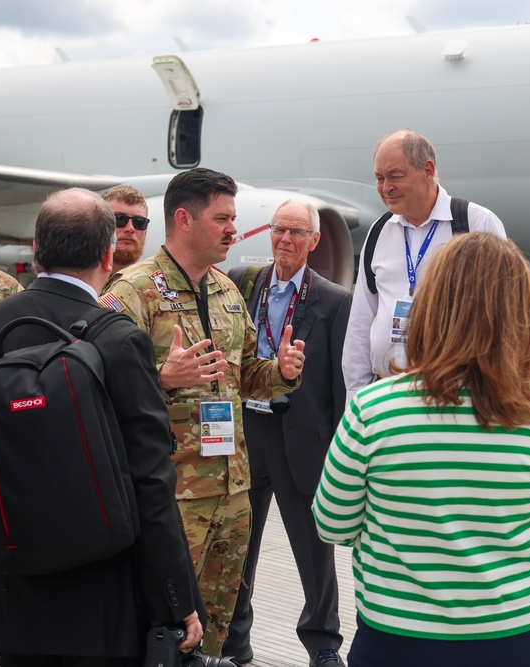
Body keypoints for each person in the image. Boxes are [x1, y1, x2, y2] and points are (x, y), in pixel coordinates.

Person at [0, 188, 204, 665]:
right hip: (104, 596)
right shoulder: (121, 340)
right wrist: (176, 598)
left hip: (7, 587)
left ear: (36, 249)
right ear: (109, 255)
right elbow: (149, 483)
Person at [314, 232, 530, 667]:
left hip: (397, 636)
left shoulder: (372, 409)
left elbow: (333, 523)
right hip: (514, 636)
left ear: (431, 306)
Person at [102, 168, 306, 655]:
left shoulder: (229, 290)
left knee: (217, 627)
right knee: (163, 625)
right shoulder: (132, 293)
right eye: (223, 218)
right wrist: (161, 378)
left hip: (233, 492)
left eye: (233, 218)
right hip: (171, 496)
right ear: (183, 219)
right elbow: (95, 387)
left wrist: (282, 371)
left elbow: (245, 375)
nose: (234, 229)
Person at [223, 201, 351, 667]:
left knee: (315, 549)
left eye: (298, 232)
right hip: (245, 431)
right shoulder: (242, 281)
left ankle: (322, 643)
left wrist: (338, 449)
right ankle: (236, 640)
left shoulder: (335, 300)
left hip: (301, 438)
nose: (286, 239)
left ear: (314, 241)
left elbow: (339, 384)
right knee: (239, 543)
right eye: (280, 229)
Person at [342, 129, 506, 398]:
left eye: (395, 176)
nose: (386, 187)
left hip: (454, 397)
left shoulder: (476, 224)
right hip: (386, 395)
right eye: (379, 178)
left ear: (427, 170)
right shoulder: (379, 231)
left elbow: (502, 320)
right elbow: (361, 324)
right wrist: (355, 400)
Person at [104, 185, 151, 272]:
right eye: (120, 219)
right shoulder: (76, 279)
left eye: (139, 222)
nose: (130, 228)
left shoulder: (152, 283)